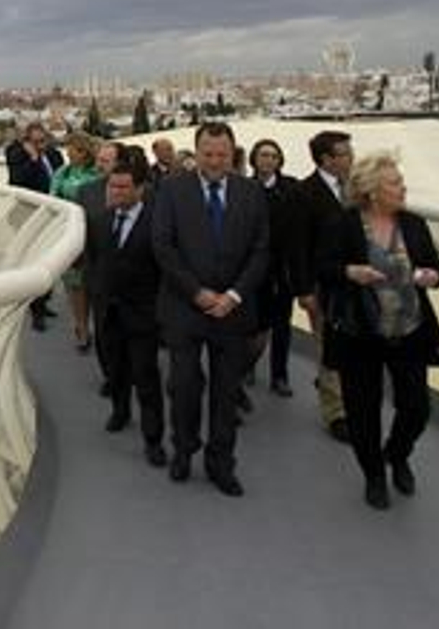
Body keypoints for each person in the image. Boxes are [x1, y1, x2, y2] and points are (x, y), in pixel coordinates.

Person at [321, 151, 439, 510]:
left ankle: (396, 453)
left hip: (408, 331)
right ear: (372, 190)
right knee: (363, 412)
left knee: (417, 408)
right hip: (359, 334)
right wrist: (350, 272)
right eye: (395, 183)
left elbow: (437, 268)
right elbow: (324, 267)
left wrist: (432, 276)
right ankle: (374, 475)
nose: (403, 187)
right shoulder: (343, 224)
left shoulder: (413, 224)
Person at [151, 122, 269, 497]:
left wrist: (233, 295)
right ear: (197, 151)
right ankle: (184, 451)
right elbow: (162, 246)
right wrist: (197, 293)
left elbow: (261, 249)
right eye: (208, 154)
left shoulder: (251, 192)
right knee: (184, 387)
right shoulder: (171, 189)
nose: (215, 161)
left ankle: (221, 463)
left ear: (232, 154)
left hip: (233, 312)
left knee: (226, 392)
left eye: (222, 155)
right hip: (185, 309)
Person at [82, 162, 166, 465]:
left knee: (146, 377)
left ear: (140, 189)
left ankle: (153, 439)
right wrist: (97, 295)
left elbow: (164, 271)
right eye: (111, 186)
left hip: (144, 314)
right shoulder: (98, 220)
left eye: (122, 187)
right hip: (108, 313)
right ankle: (120, 411)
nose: (115, 192)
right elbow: (92, 262)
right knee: (115, 370)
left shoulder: (158, 223)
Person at [291, 130, 355, 442]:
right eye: (344, 153)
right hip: (321, 285)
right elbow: (298, 245)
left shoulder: (357, 189)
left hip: (355, 283)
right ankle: (336, 413)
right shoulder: (305, 193)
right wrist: (304, 291)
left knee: (353, 346)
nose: (350, 158)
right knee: (328, 346)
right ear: (326, 159)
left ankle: (347, 396)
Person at [248, 139, 299, 398]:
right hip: (252, 269)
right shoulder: (243, 188)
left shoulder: (291, 188)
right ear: (254, 159)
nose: (268, 160)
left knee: (282, 325)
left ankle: (280, 375)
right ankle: (248, 365)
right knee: (254, 324)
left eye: (273, 156)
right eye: (263, 155)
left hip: (282, 270)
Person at [7, 121, 65, 330]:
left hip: (53, 216)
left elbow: (61, 178)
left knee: (50, 262)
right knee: (33, 263)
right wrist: (32, 158)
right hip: (29, 217)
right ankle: (36, 310)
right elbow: (17, 181)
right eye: (36, 142)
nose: (41, 145)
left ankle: (44, 300)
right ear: (27, 141)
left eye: (43, 140)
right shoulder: (17, 155)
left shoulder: (54, 155)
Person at [50, 132, 101, 350]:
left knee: (96, 283)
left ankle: (101, 327)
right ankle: (81, 327)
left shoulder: (97, 172)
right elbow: (52, 198)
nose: (68, 152)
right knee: (74, 285)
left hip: (95, 233)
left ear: (82, 151)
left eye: (71, 148)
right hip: (70, 233)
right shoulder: (62, 172)